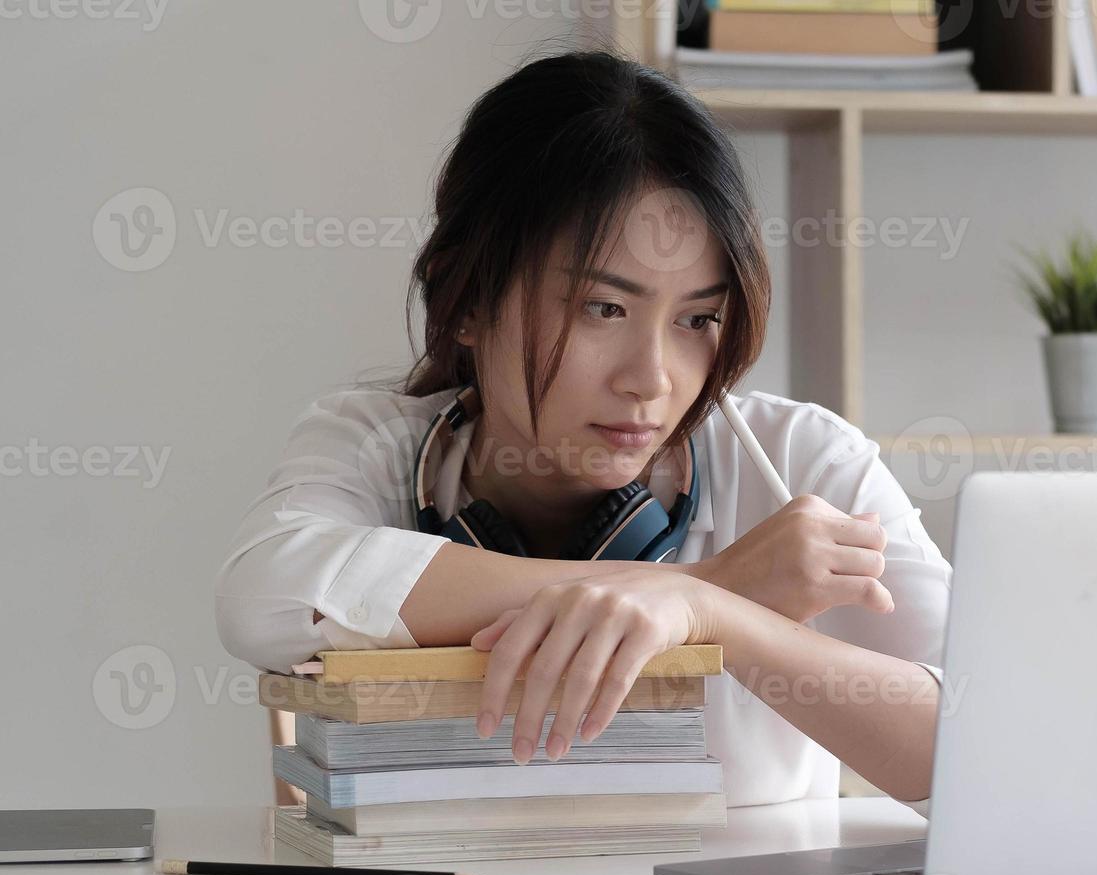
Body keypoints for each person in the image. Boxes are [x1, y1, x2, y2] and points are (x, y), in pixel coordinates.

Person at [212, 50, 951, 808]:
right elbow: (262, 594)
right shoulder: (374, 440)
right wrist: (706, 581)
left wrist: (711, 615)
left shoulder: (801, 462)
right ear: (464, 300)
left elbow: (985, 747)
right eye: (604, 309)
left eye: (698, 318)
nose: (652, 378)